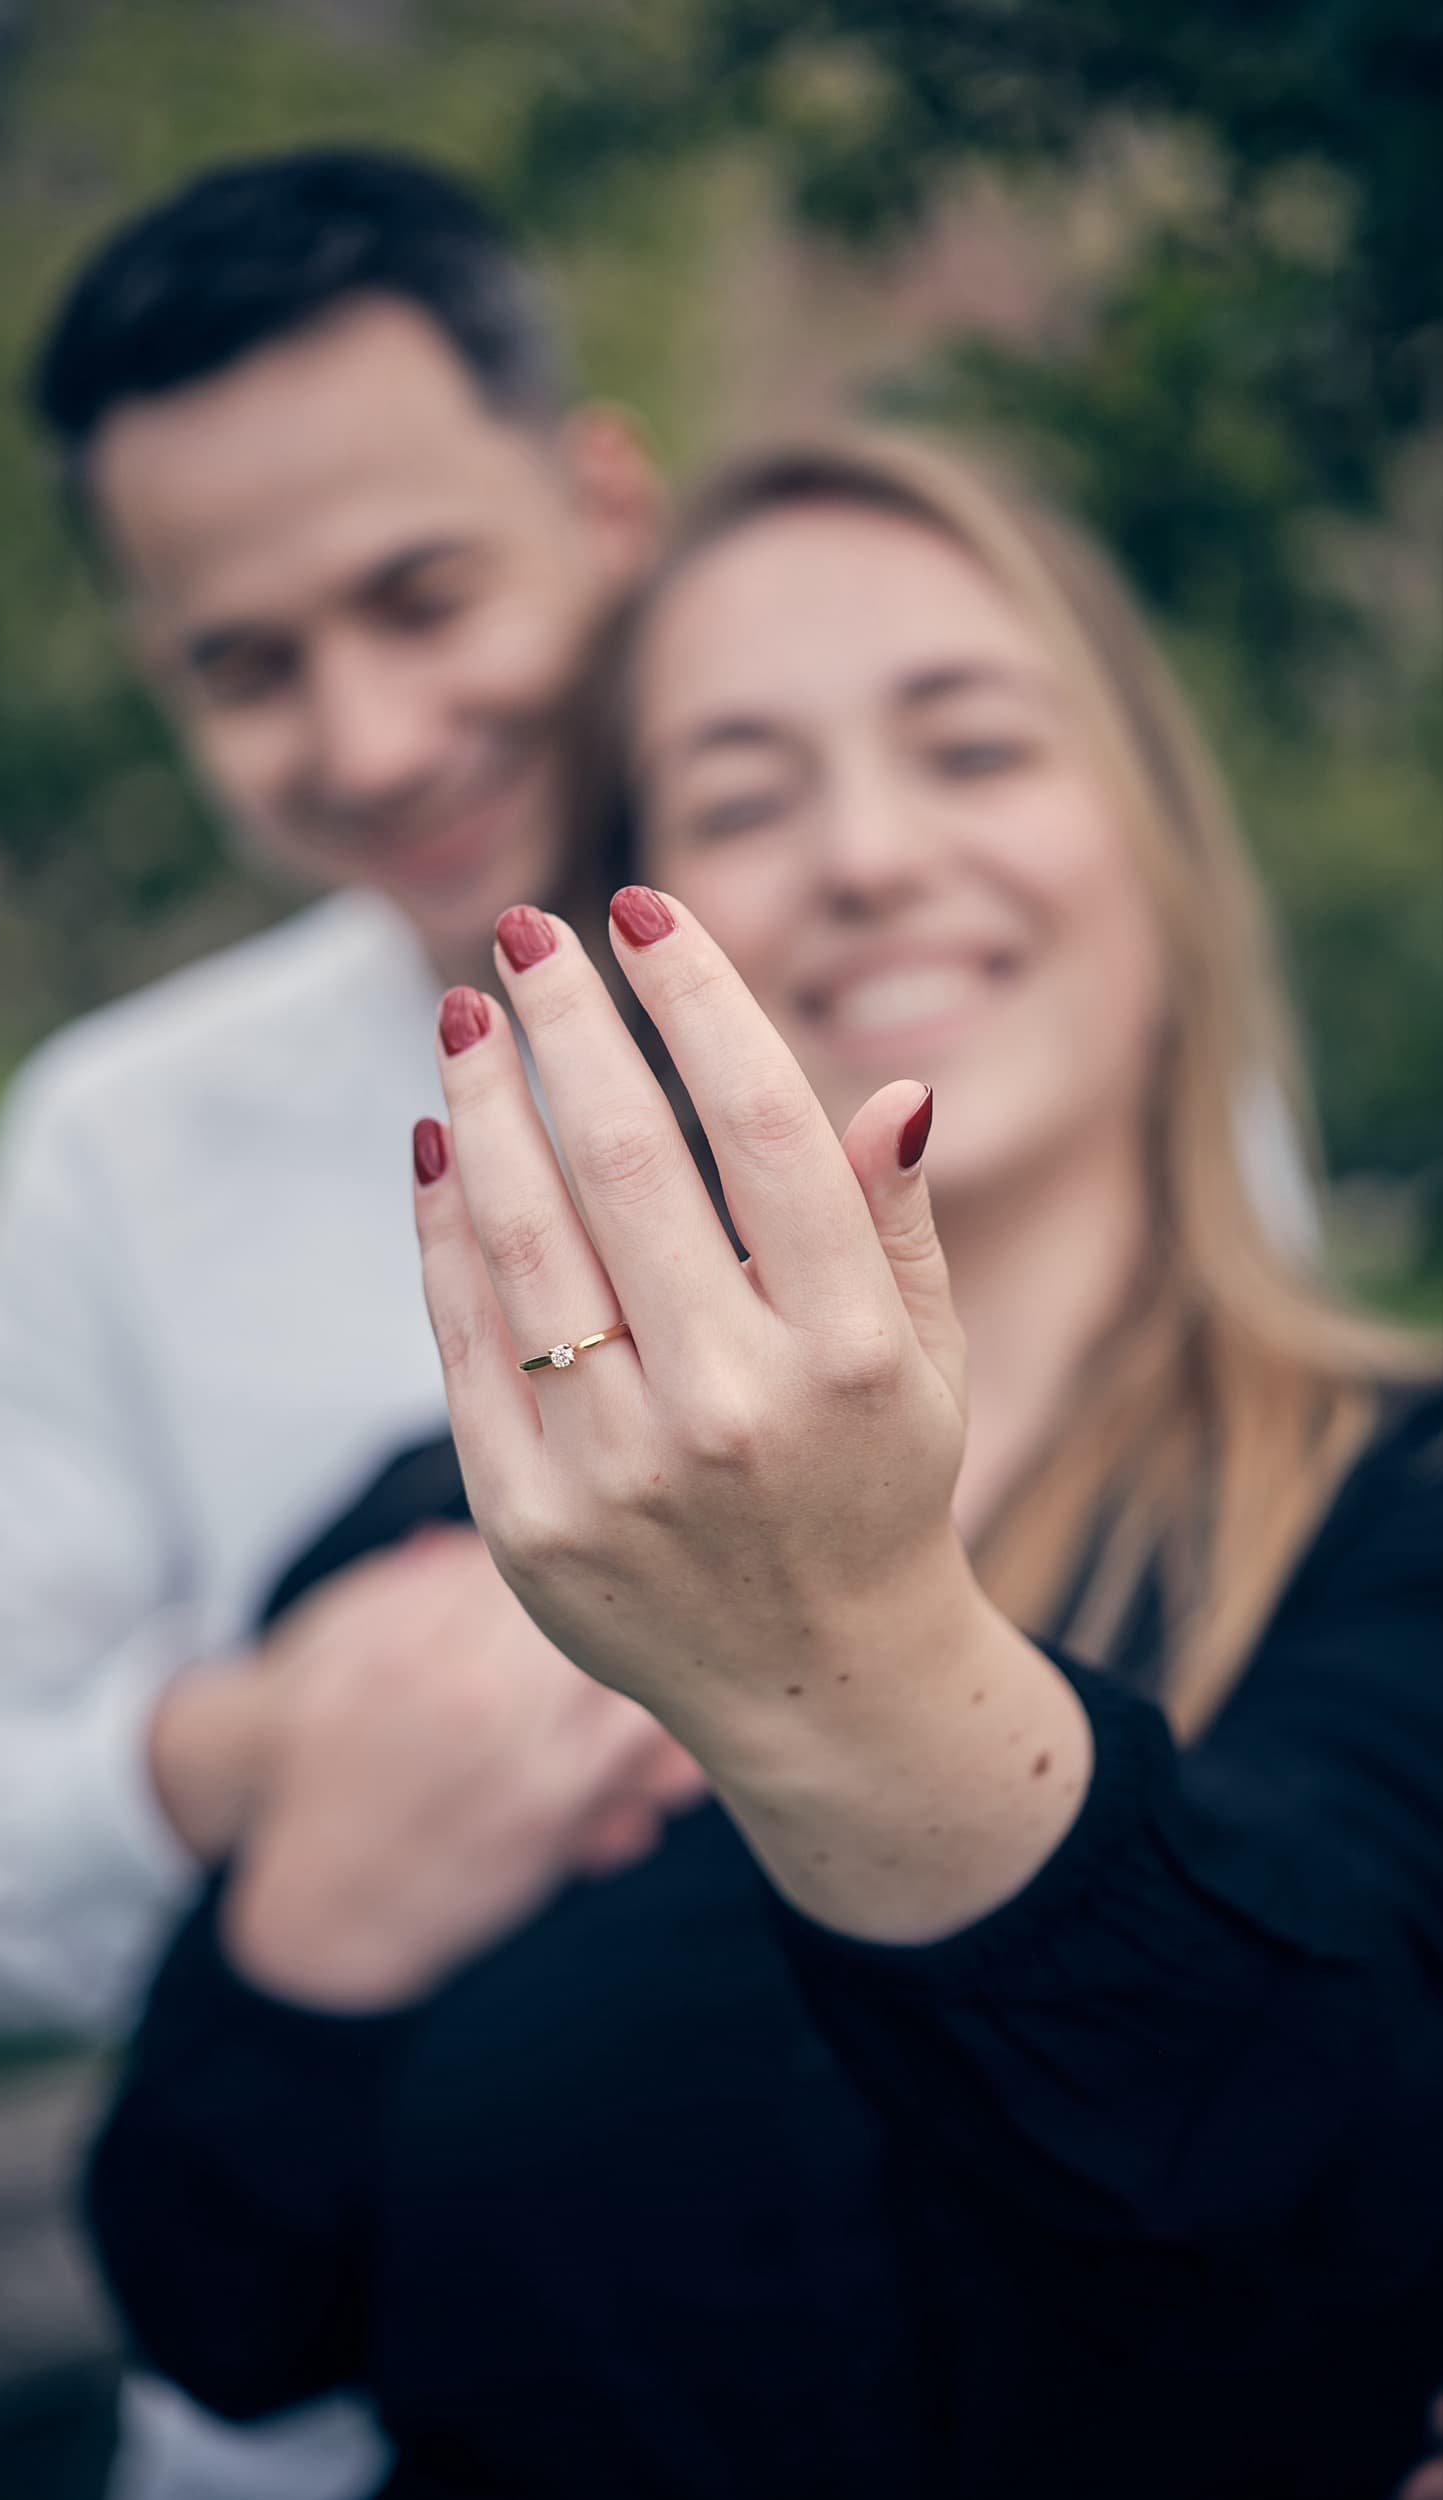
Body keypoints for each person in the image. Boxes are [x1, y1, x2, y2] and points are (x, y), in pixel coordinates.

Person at [82, 433, 1443, 2498]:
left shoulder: (1400, 1506)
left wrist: (860, 1664)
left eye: (973, 746)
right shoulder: (475, 1524)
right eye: (738, 795)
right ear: (635, 941)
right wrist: (319, 1934)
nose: (871, 854)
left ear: (1157, 834)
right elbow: (218, 2302)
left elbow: (1335, 2228)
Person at [0, 147, 668, 2500]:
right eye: (248, 665)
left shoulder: (973, 999)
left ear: (604, 502)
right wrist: (287, 1742)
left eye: (423, 595)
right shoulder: (118, 1131)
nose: (373, 736)